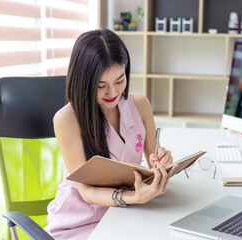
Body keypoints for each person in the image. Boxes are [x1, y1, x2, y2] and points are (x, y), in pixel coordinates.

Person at [44, 28, 178, 240]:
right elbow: (86, 191)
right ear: (84, 82)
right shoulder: (66, 119)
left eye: (119, 80)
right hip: (79, 221)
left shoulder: (140, 105)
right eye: (100, 85)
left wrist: (162, 164)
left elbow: (153, 166)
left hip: (124, 214)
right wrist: (133, 197)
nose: (113, 93)